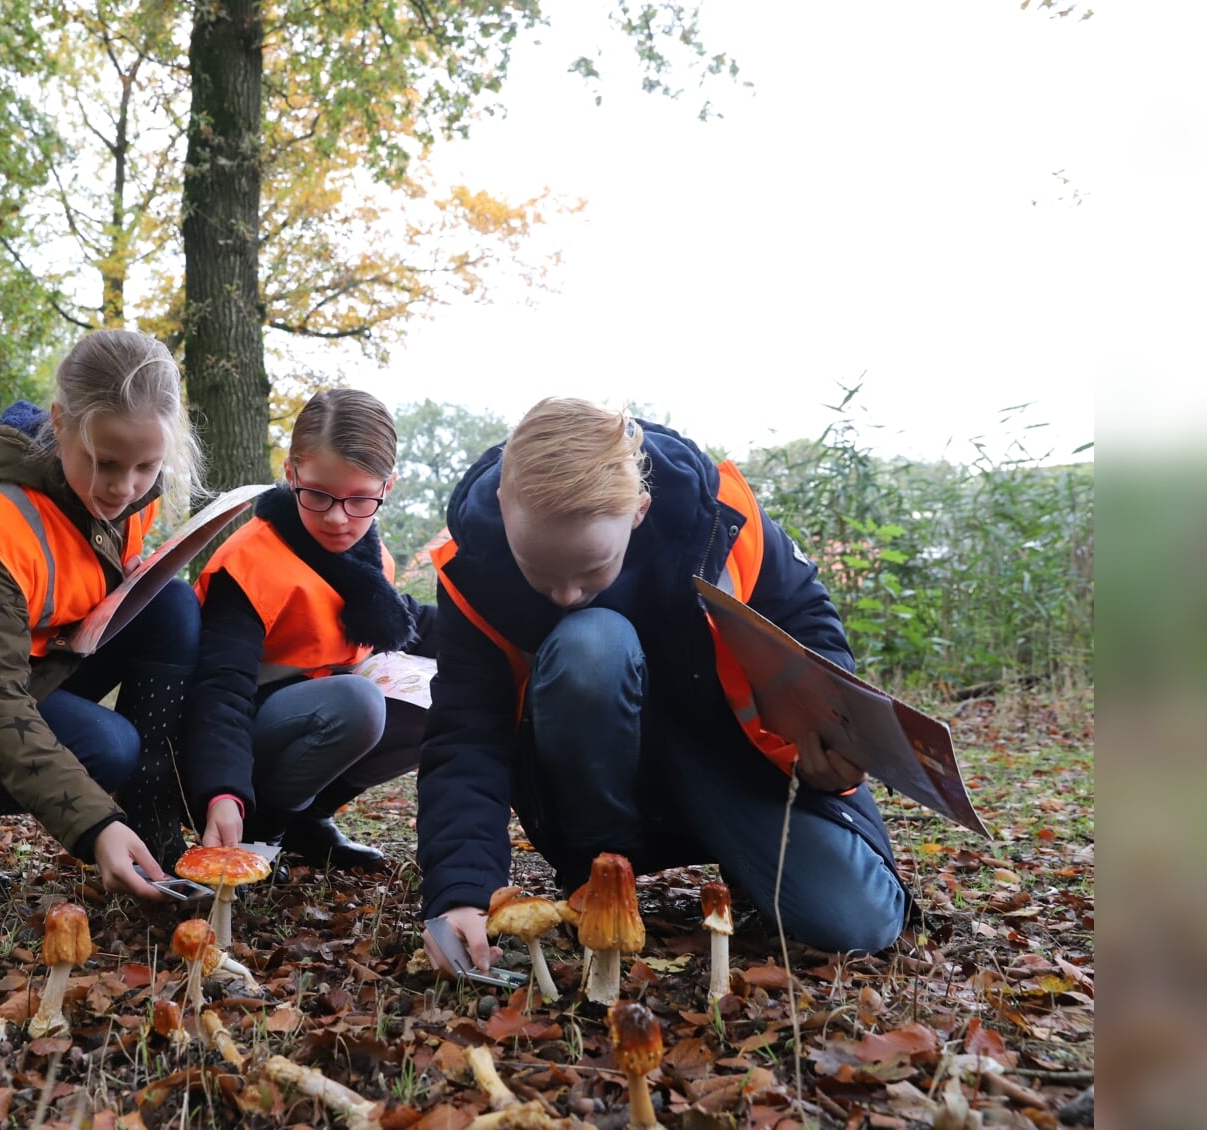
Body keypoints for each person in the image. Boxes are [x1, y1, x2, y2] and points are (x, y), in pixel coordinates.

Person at [418, 397, 908, 974]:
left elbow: (805, 618)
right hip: (592, 780)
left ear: (640, 511)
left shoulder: (720, 519)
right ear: (504, 507)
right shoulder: (473, 571)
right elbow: (466, 732)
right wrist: (460, 892)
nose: (565, 595)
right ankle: (600, 876)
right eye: (541, 573)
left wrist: (832, 733)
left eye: (592, 570)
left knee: (858, 923)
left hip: (726, 761)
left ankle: (738, 853)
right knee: (590, 641)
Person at [0, 329, 204, 901]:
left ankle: (155, 833)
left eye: (145, 467)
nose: (122, 488)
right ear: (59, 424)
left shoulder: (124, 500)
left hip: (45, 656)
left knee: (172, 603)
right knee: (109, 746)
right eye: (104, 463)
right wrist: (94, 825)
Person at [185, 389, 435, 869]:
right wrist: (224, 791)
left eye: (360, 498)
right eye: (318, 494)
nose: (338, 517)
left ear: (389, 487)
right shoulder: (250, 562)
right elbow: (220, 689)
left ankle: (308, 818)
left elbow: (413, 621)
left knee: (444, 693)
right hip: (237, 743)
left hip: (309, 720)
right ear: (291, 473)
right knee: (357, 701)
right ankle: (264, 824)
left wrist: (509, 637)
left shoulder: (366, 558)